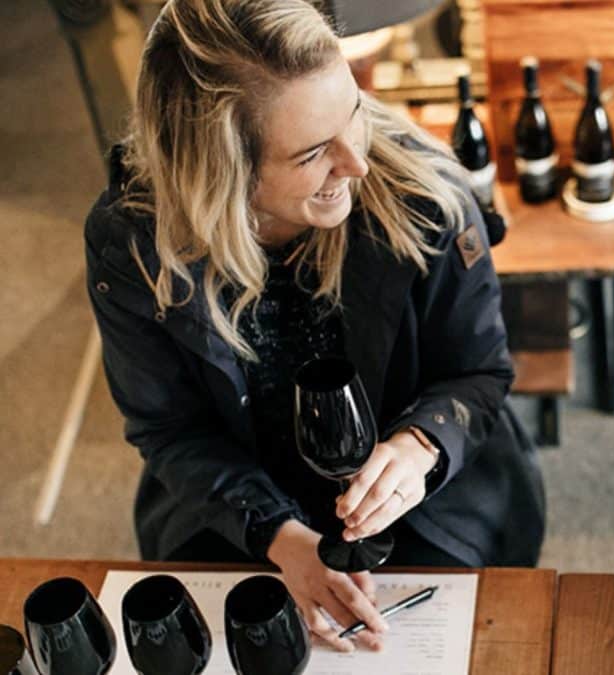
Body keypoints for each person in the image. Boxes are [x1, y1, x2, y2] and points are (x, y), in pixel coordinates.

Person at [84, 0, 544, 652]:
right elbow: (170, 428)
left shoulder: (425, 192)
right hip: (232, 491)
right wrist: (278, 534)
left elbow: (479, 371)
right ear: (222, 173)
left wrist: (418, 447)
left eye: (352, 112)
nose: (357, 162)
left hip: (417, 491)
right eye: (312, 153)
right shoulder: (130, 244)